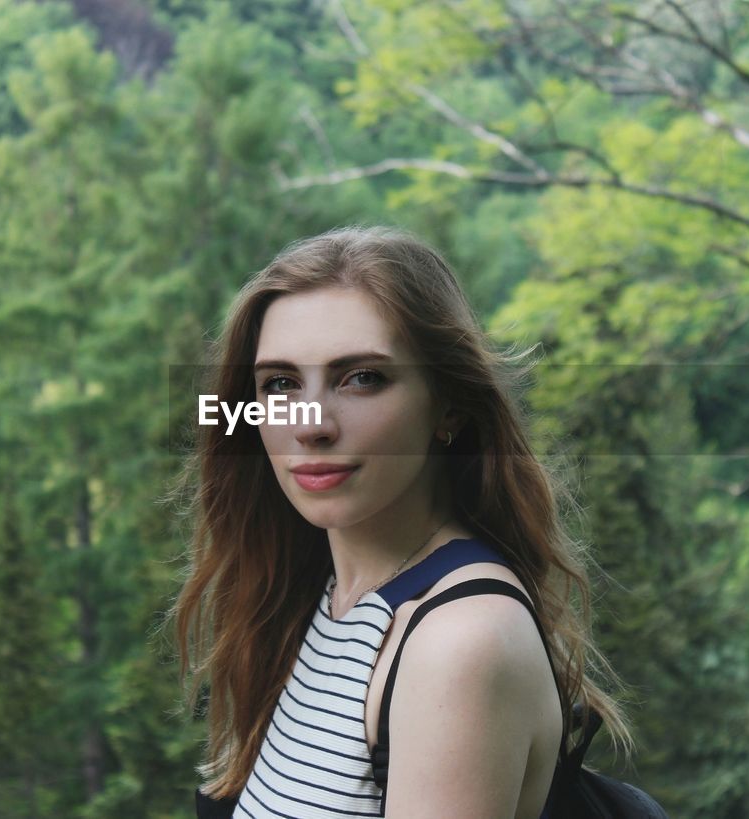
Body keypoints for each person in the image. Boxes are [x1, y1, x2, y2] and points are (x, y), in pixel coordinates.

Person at [168, 225, 631, 818]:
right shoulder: (318, 599)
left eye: (362, 378)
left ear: (449, 406)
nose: (310, 425)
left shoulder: (459, 642)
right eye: (280, 384)